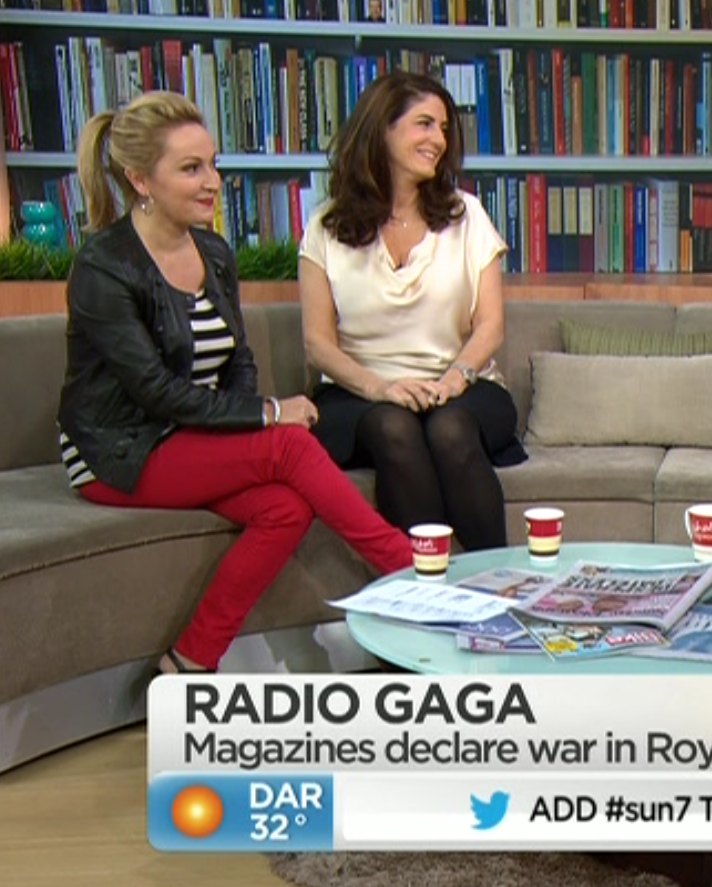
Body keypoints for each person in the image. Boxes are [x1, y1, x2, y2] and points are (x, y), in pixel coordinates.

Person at [58, 92, 413, 675]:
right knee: (289, 445)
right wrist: (268, 415)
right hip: (119, 449)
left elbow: (237, 361)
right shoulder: (104, 266)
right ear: (141, 180)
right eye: (191, 168)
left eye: (213, 164)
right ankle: (410, 570)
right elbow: (153, 392)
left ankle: (190, 658)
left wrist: (253, 412)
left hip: (191, 435)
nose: (212, 182)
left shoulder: (214, 252)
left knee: (285, 508)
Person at [299, 71, 526, 555]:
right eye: (424, 124)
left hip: (462, 387)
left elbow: (490, 325)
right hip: (360, 394)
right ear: (382, 128)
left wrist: (454, 380)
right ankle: (425, 585)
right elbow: (317, 343)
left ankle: (498, 578)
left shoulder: (467, 216)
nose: (438, 140)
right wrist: (379, 388)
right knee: (393, 427)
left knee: (448, 428)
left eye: (443, 128)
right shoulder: (325, 227)